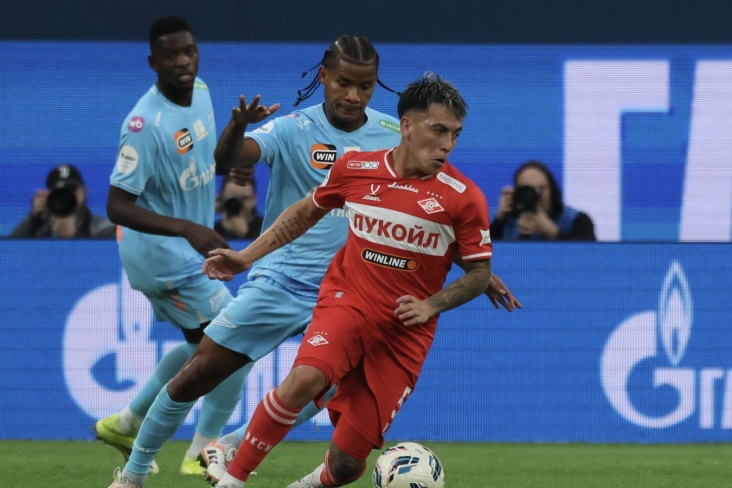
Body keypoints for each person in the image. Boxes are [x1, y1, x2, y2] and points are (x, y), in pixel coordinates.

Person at [103, 37, 518, 488]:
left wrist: (478, 271)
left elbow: (433, 211)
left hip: (360, 294)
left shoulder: (398, 135)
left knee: (328, 408)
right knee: (201, 373)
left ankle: (230, 445)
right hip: (286, 281)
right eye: (344, 83)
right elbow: (238, 167)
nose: (353, 95)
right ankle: (134, 476)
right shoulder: (294, 129)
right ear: (324, 77)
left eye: (365, 86)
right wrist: (237, 130)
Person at [203, 72, 492, 488]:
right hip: (347, 301)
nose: (447, 144)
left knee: (347, 463)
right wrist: (246, 256)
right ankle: (234, 477)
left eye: (455, 134)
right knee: (304, 379)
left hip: (404, 332)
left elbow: (480, 273)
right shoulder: (356, 167)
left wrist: (432, 304)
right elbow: (305, 212)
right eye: (438, 130)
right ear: (407, 126)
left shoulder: (464, 197)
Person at [96, 15, 266, 480]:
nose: (183, 62)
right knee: (236, 340)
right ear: (153, 62)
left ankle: (127, 422)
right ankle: (201, 451)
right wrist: (187, 228)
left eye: (188, 51)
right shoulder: (143, 124)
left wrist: (235, 149)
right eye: (170, 55)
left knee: (202, 346)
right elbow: (116, 205)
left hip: (186, 250)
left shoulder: (204, 93)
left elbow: (206, 164)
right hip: (162, 256)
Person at [489, 160, 596, 241]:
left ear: (552, 190)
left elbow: (588, 257)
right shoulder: (506, 222)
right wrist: (499, 221)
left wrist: (552, 232)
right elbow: (482, 255)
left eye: (541, 189)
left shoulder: (577, 220)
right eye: (528, 190)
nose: (535, 196)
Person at [11, 164, 116, 238]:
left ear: (84, 191)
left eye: (71, 189)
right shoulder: (40, 229)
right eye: (59, 192)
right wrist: (33, 219)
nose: (66, 196)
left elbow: (108, 260)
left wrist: (73, 237)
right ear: (48, 195)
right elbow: (8, 253)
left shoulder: (104, 230)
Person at [214, 175, 263, 240]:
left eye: (244, 198)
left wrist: (246, 235)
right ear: (221, 198)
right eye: (232, 197)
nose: (236, 203)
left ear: (254, 199)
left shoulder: (267, 228)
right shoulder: (212, 231)